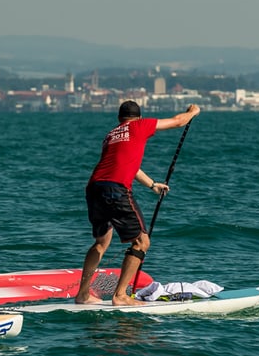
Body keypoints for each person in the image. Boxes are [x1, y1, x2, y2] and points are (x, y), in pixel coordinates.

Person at [75, 101, 200, 305]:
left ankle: (82, 294)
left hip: (94, 188)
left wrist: (152, 185)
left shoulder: (112, 135)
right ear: (139, 118)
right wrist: (193, 112)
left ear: (119, 119)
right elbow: (179, 122)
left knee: (101, 243)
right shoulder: (139, 126)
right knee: (142, 242)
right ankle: (120, 296)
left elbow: (127, 165)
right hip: (115, 189)